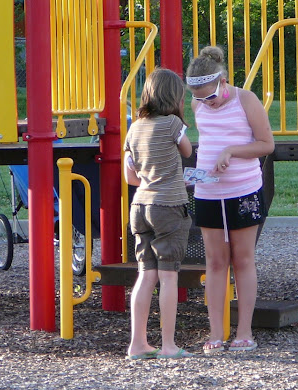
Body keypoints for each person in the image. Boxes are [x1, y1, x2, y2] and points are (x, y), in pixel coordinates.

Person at [186, 46, 275, 354]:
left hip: (243, 190)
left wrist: (232, 152)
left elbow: (266, 144)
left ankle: (245, 332)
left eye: (209, 96)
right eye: (197, 98)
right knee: (214, 262)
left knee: (243, 259)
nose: (204, 103)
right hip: (208, 192)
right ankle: (215, 332)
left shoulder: (245, 100)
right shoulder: (198, 106)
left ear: (222, 82)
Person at [123, 68, 193, 360]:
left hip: (140, 207)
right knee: (168, 278)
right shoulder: (173, 124)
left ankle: (137, 344)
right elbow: (187, 152)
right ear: (174, 97)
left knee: (145, 275)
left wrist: (152, 179)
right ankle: (168, 345)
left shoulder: (135, 127)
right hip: (169, 207)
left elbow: (130, 177)